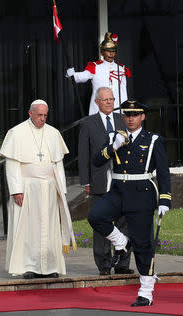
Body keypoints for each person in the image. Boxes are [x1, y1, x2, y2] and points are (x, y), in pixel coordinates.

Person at [87, 100, 171, 307]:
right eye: (127, 114)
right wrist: (113, 146)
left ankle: (146, 292)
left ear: (143, 117)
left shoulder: (153, 140)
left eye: (135, 114)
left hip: (142, 193)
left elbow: (163, 171)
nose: (130, 118)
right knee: (96, 216)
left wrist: (165, 199)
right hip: (117, 191)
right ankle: (122, 242)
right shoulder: (114, 137)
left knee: (144, 245)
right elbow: (96, 161)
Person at [0, 99, 76, 279]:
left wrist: (61, 190)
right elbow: (12, 165)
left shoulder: (53, 133)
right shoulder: (16, 133)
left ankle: (49, 266)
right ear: (30, 113)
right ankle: (29, 266)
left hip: (49, 188)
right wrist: (16, 190)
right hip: (27, 188)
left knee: (49, 227)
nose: (42, 119)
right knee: (28, 229)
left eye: (45, 115)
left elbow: (58, 165)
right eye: (39, 115)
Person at [78, 87, 134, 276]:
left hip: (122, 181)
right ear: (97, 103)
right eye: (105, 99)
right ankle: (104, 265)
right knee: (101, 221)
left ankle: (122, 264)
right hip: (100, 181)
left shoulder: (123, 120)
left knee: (123, 222)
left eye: (111, 99)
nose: (110, 102)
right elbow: (84, 154)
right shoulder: (88, 123)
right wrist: (85, 181)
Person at [66, 32, 131, 115]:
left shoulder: (121, 69)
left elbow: (123, 91)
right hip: (98, 110)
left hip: (117, 109)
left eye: (113, 51)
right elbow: (80, 77)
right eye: (108, 51)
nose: (111, 54)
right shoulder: (95, 67)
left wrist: (125, 110)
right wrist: (72, 74)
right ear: (102, 53)